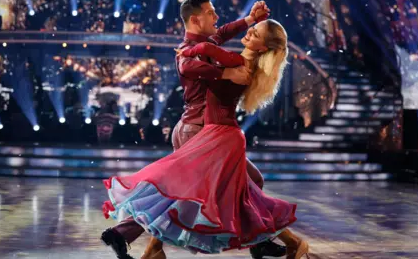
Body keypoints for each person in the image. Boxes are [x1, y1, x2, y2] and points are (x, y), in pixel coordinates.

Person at [102, 18, 309, 259]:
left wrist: (187, 52)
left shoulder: (238, 63)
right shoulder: (240, 63)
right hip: (218, 133)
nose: (249, 32)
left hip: (219, 136)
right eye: (252, 30)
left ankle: (280, 241)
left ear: (263, 47)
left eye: (255, 33)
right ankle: (277, 242)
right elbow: (211, 45)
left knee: (184, 187)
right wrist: (246, 22)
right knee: (235, 191)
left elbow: (207, 48)